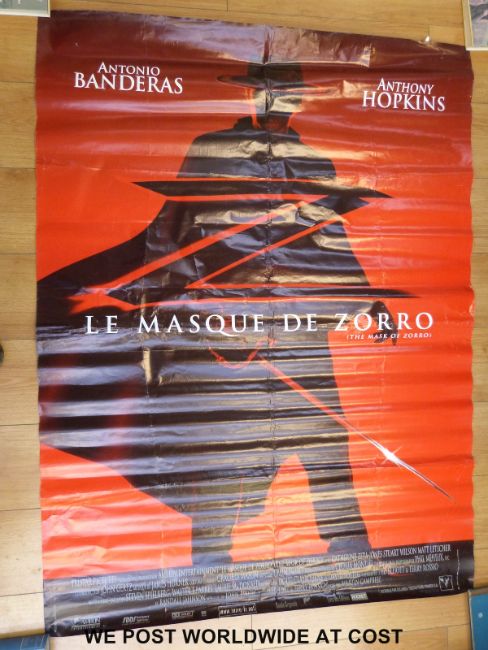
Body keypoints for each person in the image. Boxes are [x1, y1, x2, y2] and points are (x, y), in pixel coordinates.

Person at [38, 62, 398, 567]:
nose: (276, 101)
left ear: (298, 101)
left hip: (294, 321)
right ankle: (211, 560)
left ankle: (348, 546)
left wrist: (369, 299)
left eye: (287, 93)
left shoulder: (315, 161)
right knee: (221, 440)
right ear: (251, 97)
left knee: (324, 431)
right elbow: (172, 228)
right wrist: (188, 295)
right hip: (220, 323)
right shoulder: (211, 148)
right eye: (266, 92)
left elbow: (330, 239)